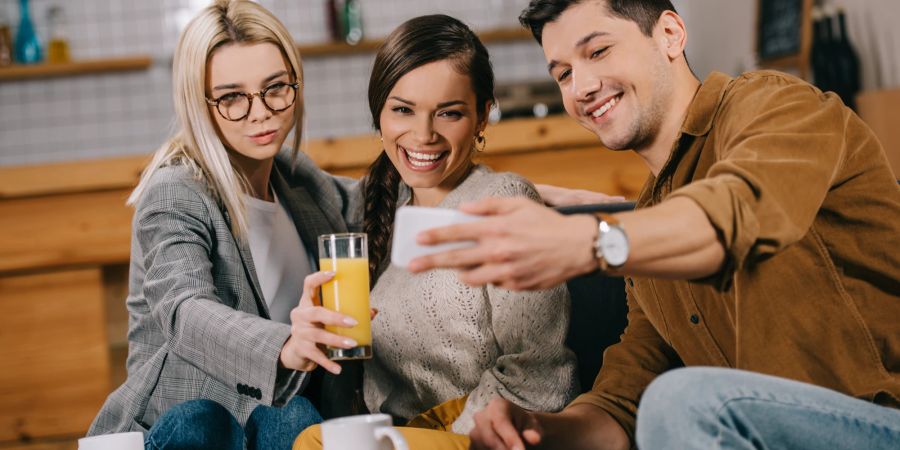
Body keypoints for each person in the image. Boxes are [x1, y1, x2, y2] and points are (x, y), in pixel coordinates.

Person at [405, 1, 900, 449]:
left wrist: (589, 241)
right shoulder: (650, 223)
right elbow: (625, 400)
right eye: (562, 74)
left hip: (880, 421)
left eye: (597, 52)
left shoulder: (775, 106)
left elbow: (735, 212)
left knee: (684, 399)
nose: (581, 87)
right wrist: (537, 429)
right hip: (773, 434)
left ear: (670, 34)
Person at [87, 1, 365, 448]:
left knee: (292, 417)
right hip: (189, 425)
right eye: (232, 97)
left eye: (275, 88)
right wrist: (284, 346)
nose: (261, 112)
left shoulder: (294, 176)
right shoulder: (175, 191)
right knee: (287, 416)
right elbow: (184, 309)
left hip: (279, 421)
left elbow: (372, 206)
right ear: (201, 105)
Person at [294, 14, 578, 449]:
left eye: (448, 113)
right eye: (403, 110)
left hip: (493, 434)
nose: (423, 135)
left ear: (483, 115)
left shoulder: (502, 201)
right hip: (404, 434)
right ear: (380, 114)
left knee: (315, 444)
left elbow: (537, 373)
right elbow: (289, 174)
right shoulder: (377, 210)